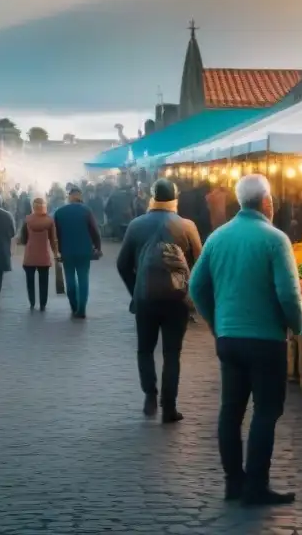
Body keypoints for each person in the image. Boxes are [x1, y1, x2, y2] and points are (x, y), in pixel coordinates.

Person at [189, 174, 302, 507]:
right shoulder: (275, 239)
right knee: (266, 412)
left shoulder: (218, 238)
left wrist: (215, 323)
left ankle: (233, 483)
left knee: (230, 411)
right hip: (266, 340)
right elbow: (288, 294)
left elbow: (196, 287)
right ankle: (256, 486)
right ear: (267, 202)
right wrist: (294, 327)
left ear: (240, 201)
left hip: (229, 339)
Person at [117, 179, 201, 423]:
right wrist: (190, 289)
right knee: (172, 353)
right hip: (177, 299)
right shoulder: (187, 226)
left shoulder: (136, 225)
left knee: (145, 349)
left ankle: (150, 394)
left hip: (145, 297)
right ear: (176, 198)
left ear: (151, 197)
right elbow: (201, 261)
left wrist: (136, 290)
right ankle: (169, 407)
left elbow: (122, 264)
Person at [54, 187, 102, 319]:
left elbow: (55, 234)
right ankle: (81, 309)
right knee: (83, 279)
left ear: (69, 197)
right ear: (80, 196)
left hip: (66, 251)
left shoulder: (60, 212)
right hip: (84, 250)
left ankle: (74, 305)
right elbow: (95, 231)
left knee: (69, 279)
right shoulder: (86, 211)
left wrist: (57, 250)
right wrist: (98, 247)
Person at [19, 196, 59, 311]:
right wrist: (55, 253)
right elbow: (53, 239)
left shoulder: (27, 220)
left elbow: (23, 239)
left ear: (33, 207)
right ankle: (43, 303)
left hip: (30, 255)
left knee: (30, 281)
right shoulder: (50, 221)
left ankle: (32, 302)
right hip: (44, 256)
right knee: (44, 281)